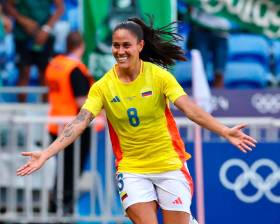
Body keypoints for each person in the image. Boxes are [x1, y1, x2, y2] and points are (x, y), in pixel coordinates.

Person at [17, 17, 257, 224]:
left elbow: (190, 109)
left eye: (126, 46)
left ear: (140, 46)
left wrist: (224, 131)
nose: (120, 51)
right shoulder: (103, 86)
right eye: (115, 46)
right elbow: (79, 121)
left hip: (169, 165)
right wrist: (47, 153)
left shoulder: (158, 76)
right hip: (132, 170)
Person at [45, 31, 95, 214]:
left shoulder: (55, 64)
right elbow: (82, 102)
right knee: (71, 170)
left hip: (55, 125)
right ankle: (62, 208)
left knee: (63, 169)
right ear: (81, 46)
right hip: (74, 128)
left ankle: (56, 206)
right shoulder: (74, 69)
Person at [6, 0, 64, 102]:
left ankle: (46, 107)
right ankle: (21, 111)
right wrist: (23, 20)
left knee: (45, 73)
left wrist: (46, 29)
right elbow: (8, 6)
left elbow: (60, 8)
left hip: (45, 35)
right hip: (23, 36)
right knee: (24, 72)